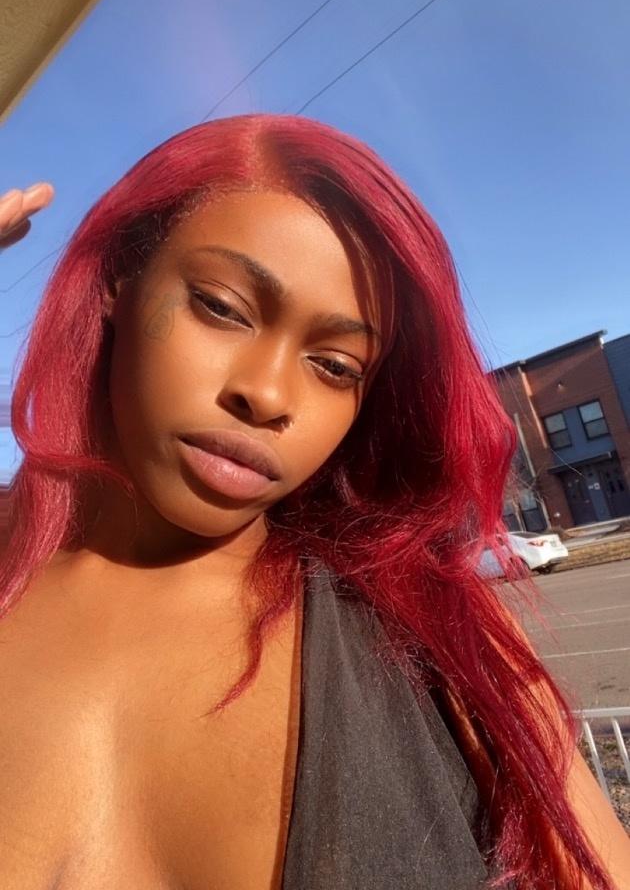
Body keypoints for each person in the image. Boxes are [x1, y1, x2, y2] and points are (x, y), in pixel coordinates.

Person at [1, 114, 628, 890]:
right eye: (222, 307)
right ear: (117, 283)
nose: (267, 394)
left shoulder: (439, 637)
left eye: (335, 366)